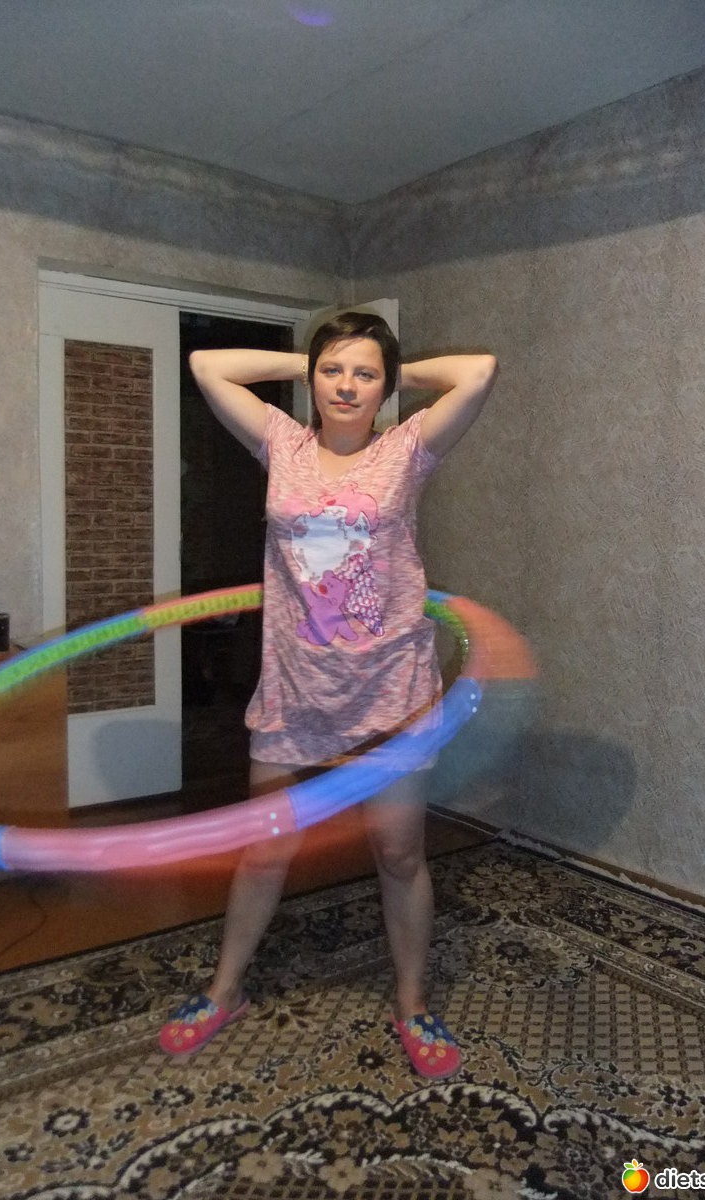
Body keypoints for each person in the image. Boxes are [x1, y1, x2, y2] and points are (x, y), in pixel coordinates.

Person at [159, 311, 498, 1077]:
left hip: (390, 685)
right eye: (333, 371)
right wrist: (309, 361)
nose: (347, 386)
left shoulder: (406, 450)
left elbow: (478, 370)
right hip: (296, 684)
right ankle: (224, 991)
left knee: (398, 850)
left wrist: (391, 371)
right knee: (265, 848)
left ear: (386, 386)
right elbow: (208, 365)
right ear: (312, 377)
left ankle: (412, 1002)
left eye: (365, 374)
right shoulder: (280, 443)